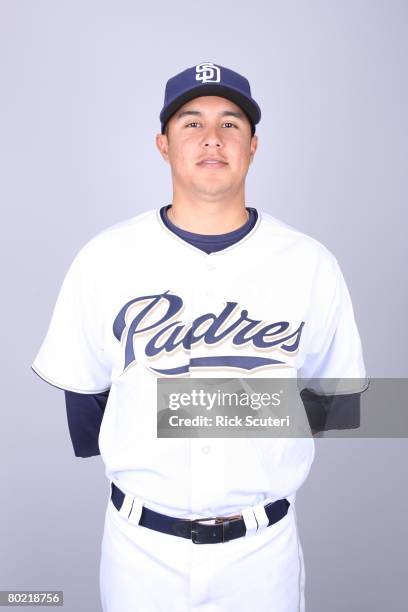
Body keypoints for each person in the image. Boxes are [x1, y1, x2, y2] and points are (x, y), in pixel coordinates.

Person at [31, 62, 368, 612]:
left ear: (254, 145)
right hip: (142, 550)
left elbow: (339, 403)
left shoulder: (310, 263)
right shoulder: (104, 259)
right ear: (163, 144)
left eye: (231, 124)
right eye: (192, 124)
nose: (212, 138)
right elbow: (87, 405)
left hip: (263, 554)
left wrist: (203, 410)